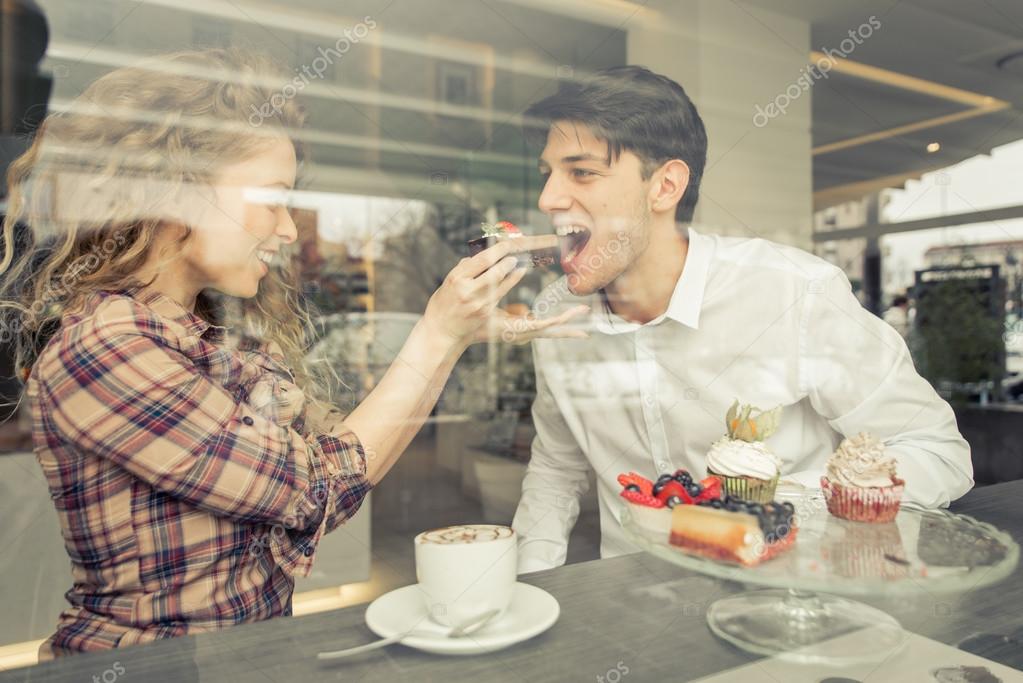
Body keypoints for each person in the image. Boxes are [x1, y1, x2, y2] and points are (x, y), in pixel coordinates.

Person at [0, 48, 586, 657]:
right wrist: (439, 333)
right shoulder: (106, 347)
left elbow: (342, 446)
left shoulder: (200, 332)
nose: (286, 229)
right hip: (156, 668)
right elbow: (317, 487)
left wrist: (456, 338)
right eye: (270, 197)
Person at [511, 66, 973, 573]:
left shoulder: (795, 291)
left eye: (581, 172)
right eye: (546, 174)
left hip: (788, 604)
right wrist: (530, 591)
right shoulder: (555, 316)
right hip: (631, 612)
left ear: (664, 186)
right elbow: (557, 467)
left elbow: (936, 450)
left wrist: (785, 505)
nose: (547, 199)